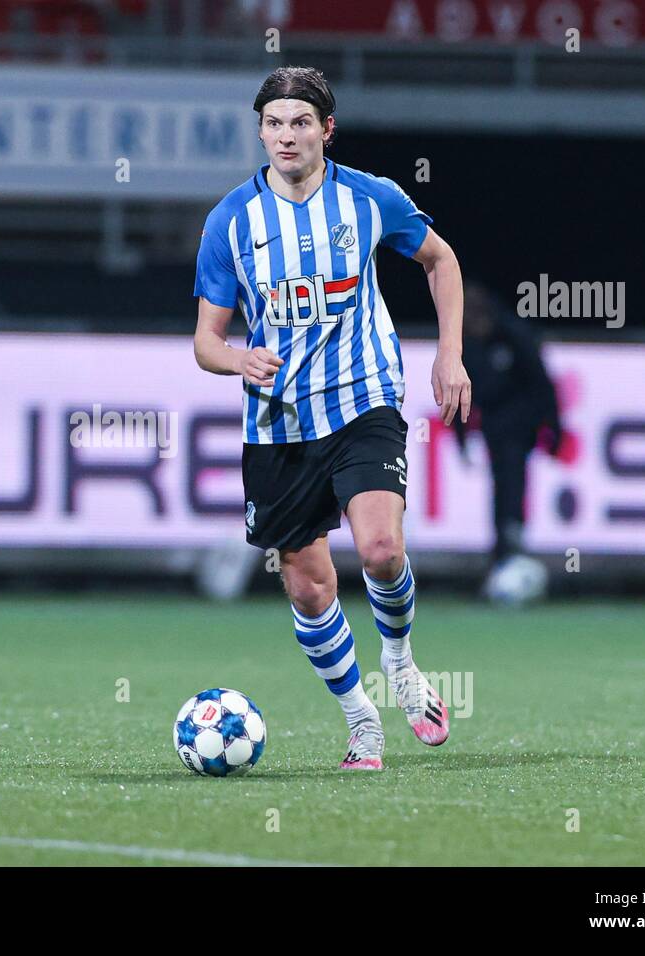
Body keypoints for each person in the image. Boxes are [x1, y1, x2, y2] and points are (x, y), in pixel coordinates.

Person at [192, 66, 471, 770]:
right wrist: (237, 360)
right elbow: (205, 341)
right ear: (260, 130)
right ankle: (361, 720)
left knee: (380, 550)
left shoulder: (370, 198)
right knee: (309, 586)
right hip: (279, 425)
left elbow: (441, 261)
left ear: (326, 130)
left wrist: (450, 356)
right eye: (275, 123)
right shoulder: (232, 220)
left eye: (300, 122)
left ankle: (401, 664)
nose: (287, 135)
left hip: (363, 400)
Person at [454, 281, 564, 596]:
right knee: (501, 488)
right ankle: (503, 553)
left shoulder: (515, 335)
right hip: (494, 430)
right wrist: (462, 438)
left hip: (521, 428)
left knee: (512, 486)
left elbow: (542, 383)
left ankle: (511, 550)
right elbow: (459, 394)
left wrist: (553, 427)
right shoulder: (467, 345)